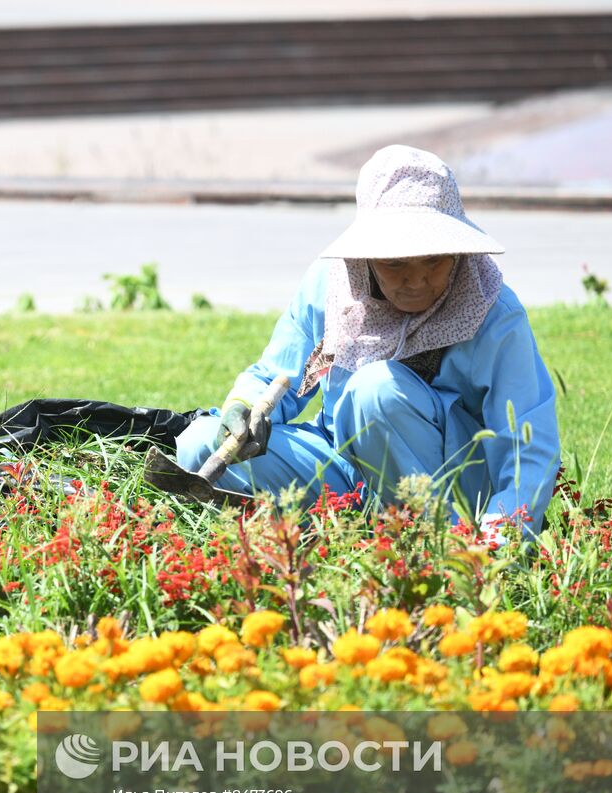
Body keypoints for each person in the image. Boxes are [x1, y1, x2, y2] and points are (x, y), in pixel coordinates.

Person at [175, 145, 560, 539]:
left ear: (458, 253)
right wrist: (244, 408)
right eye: (395, 264)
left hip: (454, 491)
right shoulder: (331, 286)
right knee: (197, 446)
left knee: (377, 388)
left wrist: (498, 546)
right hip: (344, 464)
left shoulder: (492, 311)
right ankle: (337, 537)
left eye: (434, 261)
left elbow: (526, 446)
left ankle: (436, 549)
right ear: (367, 257)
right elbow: (275, 375)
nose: (416, 280)